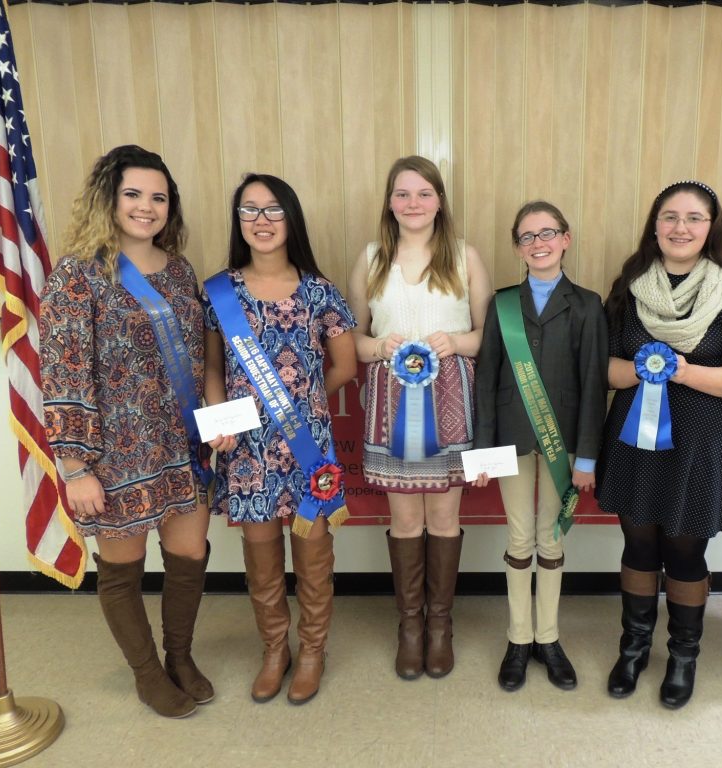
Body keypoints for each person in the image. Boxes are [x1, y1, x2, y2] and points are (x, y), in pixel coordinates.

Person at [40, 145, 213, 718]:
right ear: (108, 200)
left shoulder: (181, 268)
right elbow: (63, 372)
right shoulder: (77, 274)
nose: (147, 207)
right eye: (133, 195)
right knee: (123, 568)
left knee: (188, 554)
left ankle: (180, 657)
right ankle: (146, 674)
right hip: (115, 456)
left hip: (181, 447)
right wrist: (75, 467)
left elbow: (198, 354)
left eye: (158, 197)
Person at [597, 180, 722, 708]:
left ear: (710, 228)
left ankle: (684, 653)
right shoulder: (629, 286)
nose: (681, 227)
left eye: (694, 218)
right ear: (655, 225)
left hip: (702, 444)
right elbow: (604, 368)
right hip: (634, 440)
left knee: (686, 551)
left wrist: (681, 371)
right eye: (670, 217)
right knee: (640, 546)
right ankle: (634, 646)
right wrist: (643, 372)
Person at [203, 174, 357, 705]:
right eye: (250, 210)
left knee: (313, 552)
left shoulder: (320, 291)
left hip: (307, 446)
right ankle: (275, 649)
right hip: (247, 450)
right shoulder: (219, 291)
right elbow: (214, 369)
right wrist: (222, 416)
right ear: (238, 221)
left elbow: (345, 364)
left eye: (273, 210)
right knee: (261, 554)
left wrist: (302, 401)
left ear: (291, 219)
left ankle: (312, 650)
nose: (262, 221)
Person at [348, 155, 492, 679]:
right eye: (403, 194)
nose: (413, 204)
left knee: (444, 518)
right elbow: (353, 342)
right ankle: (409, 626)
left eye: (424, 194)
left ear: (439, 201)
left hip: (451, 399)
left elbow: (486, 336)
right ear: (389, 202)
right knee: (405, 520)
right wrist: (376, 347)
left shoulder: (464, 256)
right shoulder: (370, 258)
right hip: (391, 403)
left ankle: (440, 626)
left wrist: (454, 341)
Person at [473, 201, 607, 692]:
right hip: (509, 440)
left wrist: (587, 457)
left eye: (547, 232)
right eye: (527, 236)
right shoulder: (501, 304)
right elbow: (486, 381)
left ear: (566, 239)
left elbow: (594, 384)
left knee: (552, 539)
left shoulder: (588, 304)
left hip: (564, 442)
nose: (539, 243)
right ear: (517, 247)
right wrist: (483, 453)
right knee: (518, 539)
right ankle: (518, 638)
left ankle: (548, 637)